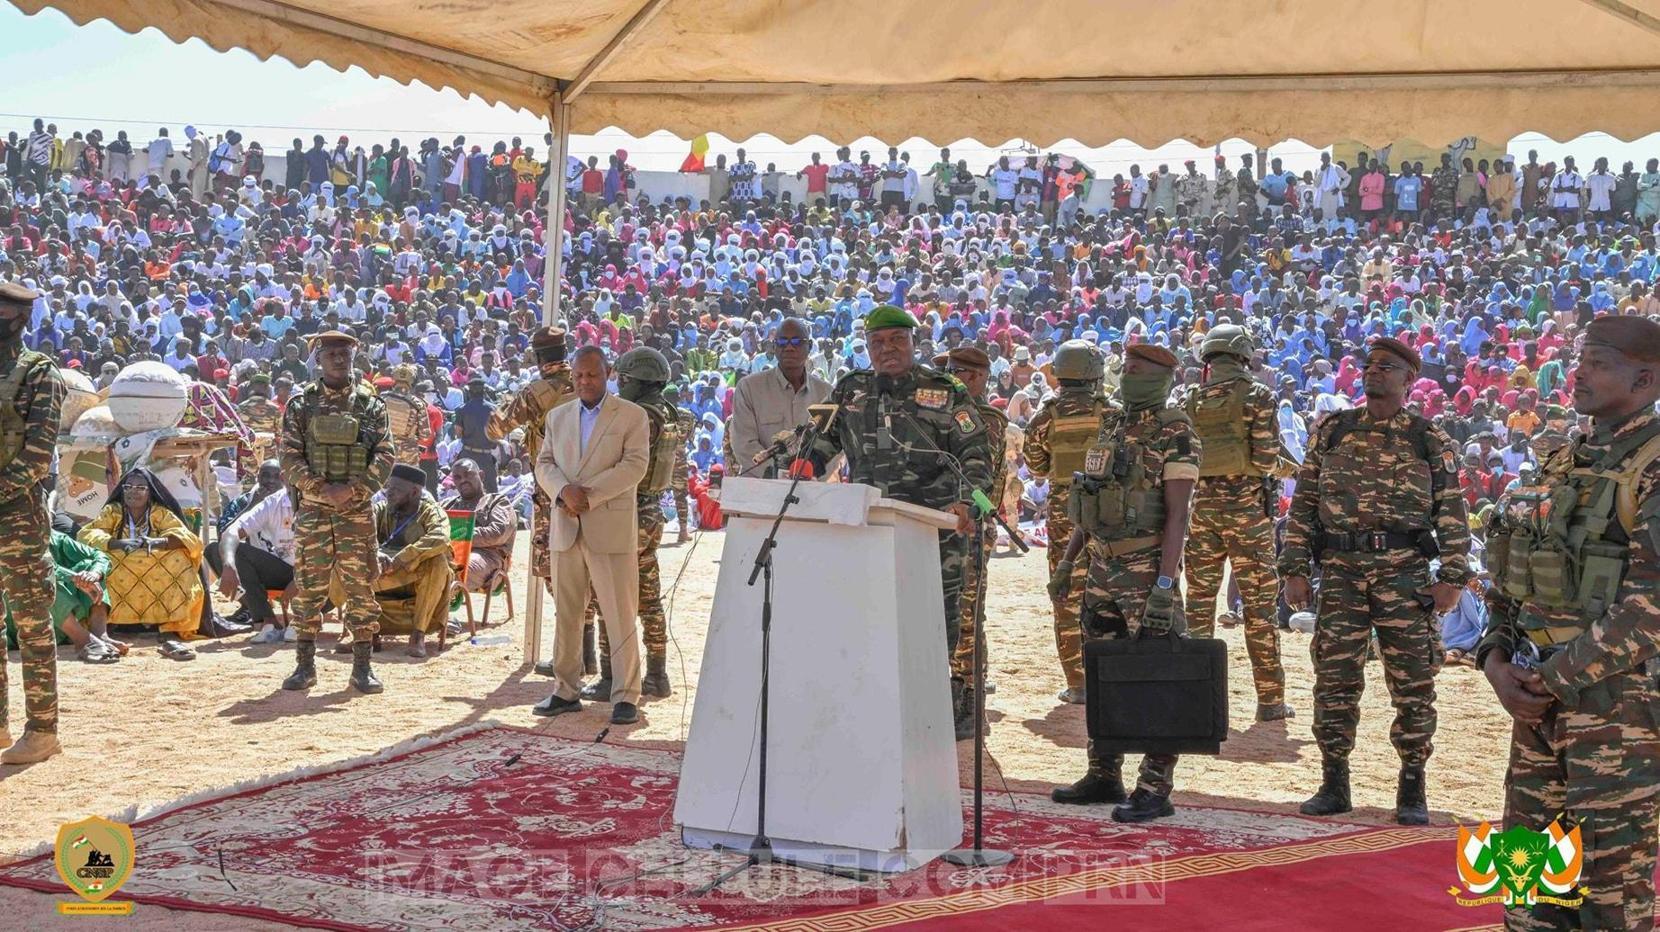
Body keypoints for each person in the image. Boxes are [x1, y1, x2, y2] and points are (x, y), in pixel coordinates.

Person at [1478, 315, 1660, 931]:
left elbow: (1651, 606)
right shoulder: (1560, 459)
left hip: (1619, 713)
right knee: (1525, 894)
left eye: (1598, 361)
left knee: (1610, 898)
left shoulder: (1654, 466)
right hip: (1535, 702)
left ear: (1645, 377)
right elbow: (1510, 572)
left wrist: (1551, 678)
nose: (1578, 371)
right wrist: (1495, 661)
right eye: (1579, 358)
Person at [1281, 336, 1470, 825]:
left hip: (1403, 574)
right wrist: (1294, 568)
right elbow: (1304, 503)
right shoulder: (1333, 431)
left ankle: (1412, 787)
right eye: (1369, 365)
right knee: (1334, 679)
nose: (1373, 372)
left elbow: (1451, 511)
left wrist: (1452, 577)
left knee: (1413, 682)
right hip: (1341, 573)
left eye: (1386, 367)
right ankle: (1334, 782)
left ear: (1409, 380)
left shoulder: (1427, 439)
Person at [802, 305, 993, 716]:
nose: (887, 349)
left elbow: (976, 454)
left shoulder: (944, 391)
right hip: (867, 528)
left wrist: (967, 500)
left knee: (933, 623)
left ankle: (926, 710)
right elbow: (821, 443)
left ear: (913, 343)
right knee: (867, 618)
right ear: (867, 347)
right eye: (877, 342)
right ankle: (874, 707)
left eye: (897, 340)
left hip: (933, 531)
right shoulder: (851, 390)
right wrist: (803, 466)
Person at [1047, 343, 1198, 823]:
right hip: (1101, 568)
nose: (1127, 375)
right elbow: (1089, 501)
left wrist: (1164, 584)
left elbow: (1178, 517)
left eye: (1136, 370)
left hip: (1144, 568)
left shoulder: (1177, 432)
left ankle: (1154, 788)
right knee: (1102, 675)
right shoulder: (1111, 424)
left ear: (1159, 377)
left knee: (1157, 675)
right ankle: (1104, 772)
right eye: (1125, 368)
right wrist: (1068, 562)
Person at [531, 346, 650, 726]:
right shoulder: (558, 416)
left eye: (592, 375)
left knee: (619, 612)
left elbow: (635, 465)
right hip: (566, 525)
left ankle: (626, 694)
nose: (584, 382)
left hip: (608, 525)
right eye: (579, 376)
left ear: (608, 373)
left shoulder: (632, 416)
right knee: (567, 614)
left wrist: (589, 496)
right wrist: (563, 491)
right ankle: (565, 690)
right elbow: (544, 462)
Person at [1179, 324, 1292, 721]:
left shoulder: (1189, 399)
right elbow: (1264, 458)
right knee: (1259, 608)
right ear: (1244, 356)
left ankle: (1194, 699)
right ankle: (1270, 701)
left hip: (1202, 512)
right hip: (1248, 515)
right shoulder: (1258, 396)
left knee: (1199, 607)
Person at [277, 330, 394, 695]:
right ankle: (305, 666)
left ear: (354, 357)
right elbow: (289, 456)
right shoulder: (300, 406)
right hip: (314, 511)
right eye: (331, 354)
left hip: (356, 512)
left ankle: (362, 668)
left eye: (345, 353)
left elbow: (385, 454)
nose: (339, 360)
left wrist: (353, 490)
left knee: (361, 587)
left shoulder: (371, 406)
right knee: (309, 588)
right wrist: (321, 489)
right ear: (318, 359)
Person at [583, 347, 679, 701]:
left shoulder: (638, 416)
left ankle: (612, 676)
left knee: (611, 593)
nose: (618, 385)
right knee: (649, 597)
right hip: (651, 511)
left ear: (637, 381)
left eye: (623, 379)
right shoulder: (668, 412)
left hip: (627, 513)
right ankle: (657, 674)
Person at [486, 327, 584, 668]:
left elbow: (494, 428)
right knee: (587, 571)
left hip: (552, 491)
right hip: (588, 488)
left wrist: (510, 403)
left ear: (539, 358)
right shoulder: (587, 382)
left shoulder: (537, 392)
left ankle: (569, 658)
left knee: (554, 572)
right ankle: (587, 656)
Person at [1023, 339, 1108, 703]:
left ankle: (1077, 684)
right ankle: (1110, 676)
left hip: (1063, 510)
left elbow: (1036, 467)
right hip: (1107, 509)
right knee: (1107, 590)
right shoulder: (1111, 412)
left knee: (1066, 594)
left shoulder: (1046, 416)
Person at [0, 282, 64, 765]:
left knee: (32, 629)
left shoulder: (39, 373)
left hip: (18, 519)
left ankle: (42, 731)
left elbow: (38, 456)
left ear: (16, 319)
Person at [936, 345, 1009, 741]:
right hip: (938, 527)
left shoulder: (987, 422)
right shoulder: (942, 413)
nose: (950, 378)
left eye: (957, 372)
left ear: (979, 377)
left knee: (966, 615)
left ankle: (968, 697)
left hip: (970, 529)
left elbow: (975, 474)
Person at [78, 468, 205, 662]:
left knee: (180, 559)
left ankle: (171, 627)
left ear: (150, 492)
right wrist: (116, 543)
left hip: (154, 561)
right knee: (102, 563)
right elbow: (87, 535)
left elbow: (188, 538)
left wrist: (158, 543)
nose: (132, 491)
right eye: (128, 487)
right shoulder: (112, 511)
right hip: (120, 561)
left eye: (140, 487)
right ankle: (109, 626)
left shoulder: (159, 512)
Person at [728, 317, 832, 475]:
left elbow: (833, 448)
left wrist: (808, 475)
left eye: (797, 341)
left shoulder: (826, 394)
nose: (789, 347)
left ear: (809, 346)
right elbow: (744, 444)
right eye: (782, 342)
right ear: (774, 347)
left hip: (812, 489)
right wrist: (780, 474)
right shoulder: (749, 388)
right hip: (761, 489)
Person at [4, 530, 123, 664]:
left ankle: (100, 636)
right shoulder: (8, 536)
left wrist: (94, 574)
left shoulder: (54, 538)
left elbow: (100, 556)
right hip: (19, 626)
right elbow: (37, 566)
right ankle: (83, 640)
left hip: (57, 624)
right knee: (41, 580)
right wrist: (73, 577)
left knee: (89, 567)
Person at [372, 464, 452, 658]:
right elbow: (361, 532)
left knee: (438, 562)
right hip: (383, 574)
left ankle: (418, 634)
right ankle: (363, 630)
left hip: (415, 576)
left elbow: (441, 536)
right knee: (350, 562)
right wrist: (376, 554)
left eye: (396, 489)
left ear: (414, 492)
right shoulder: (382, 509)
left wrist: (403, 557)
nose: (389, 493)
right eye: (388, 488)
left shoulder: (430, 511)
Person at [211, 460, 294, 642]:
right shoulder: (270, 502)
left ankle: (303, 620)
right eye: (266, 476)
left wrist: (301, 579)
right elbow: (228, 532)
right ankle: (267, 620)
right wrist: (229, 565)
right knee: (218, 550)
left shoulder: (324, 500)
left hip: (317, 574)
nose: (270, 481)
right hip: (277, 568)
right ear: (285, 478)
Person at [441, 457, 517, 598]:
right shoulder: (447, 505)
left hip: (488, 558)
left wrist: (456, 534)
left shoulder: (497, 502)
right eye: (457, 477)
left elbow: (497, 533)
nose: (463, 480)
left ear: (481, 475)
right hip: (447, 554)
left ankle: (438, 616)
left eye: (468, 474)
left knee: (452, 570)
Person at [382, 363, 433, 467]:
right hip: (407, 455)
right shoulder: (418, 404)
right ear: (412, 380)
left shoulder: (381, 399)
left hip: (384, 450)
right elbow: (425, 435)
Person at [457, 375, 501, 491]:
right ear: (484, 391)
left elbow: (458, 433)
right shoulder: (493, 409)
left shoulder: (462, 409)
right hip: (486, 456)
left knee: (466, 489)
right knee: (491, 491)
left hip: (468, 454)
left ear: (469, 392)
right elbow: (497, 435)